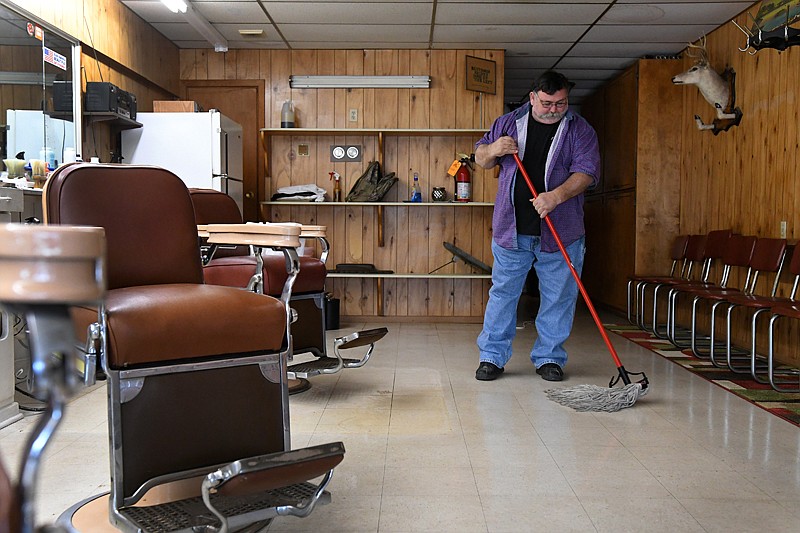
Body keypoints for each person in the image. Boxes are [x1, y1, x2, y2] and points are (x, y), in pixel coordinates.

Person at [474, 70, 600, 382]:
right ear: (533, 98)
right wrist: (494, 150)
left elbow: (587, 172)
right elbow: (480, 157)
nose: (554, 109)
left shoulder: (580, 130)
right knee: (503, 293)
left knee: (559, 295)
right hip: (511, 228)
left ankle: (549, 358)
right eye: (547, 103)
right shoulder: (507, 123)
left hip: (562, 231)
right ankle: (491, 357)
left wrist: (556, 197)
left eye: (561, 103)